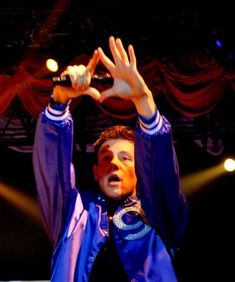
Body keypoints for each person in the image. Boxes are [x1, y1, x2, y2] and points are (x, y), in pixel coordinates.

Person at [33, 36, 188, 282]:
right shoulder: (74, 213)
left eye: (125, 157)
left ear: (140, 170)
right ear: (95, 171)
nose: (114, 163)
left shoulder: (157, 212)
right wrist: (60, 100)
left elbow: (162, 174)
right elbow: (51, 171)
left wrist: (143, 101)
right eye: (106, 158)